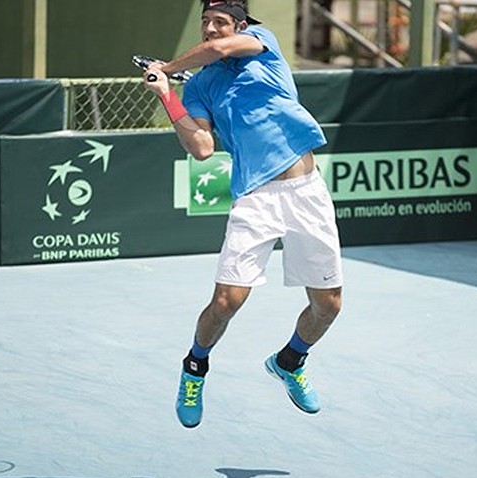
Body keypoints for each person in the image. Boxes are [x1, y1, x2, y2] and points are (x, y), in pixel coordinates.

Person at [142, 0, 343, 429]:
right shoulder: (200, 86)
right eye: (206, 22)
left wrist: (168, 66)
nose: (211, 29)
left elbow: (218, 51)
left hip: (306, 191)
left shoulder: (262, 43)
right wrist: (167, 93)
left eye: (221, 22)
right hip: (254, 197)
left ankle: (290, 361)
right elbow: (201, 148)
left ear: (241, 26)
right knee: (226, 301)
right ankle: (194, 368)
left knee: (328, 305)